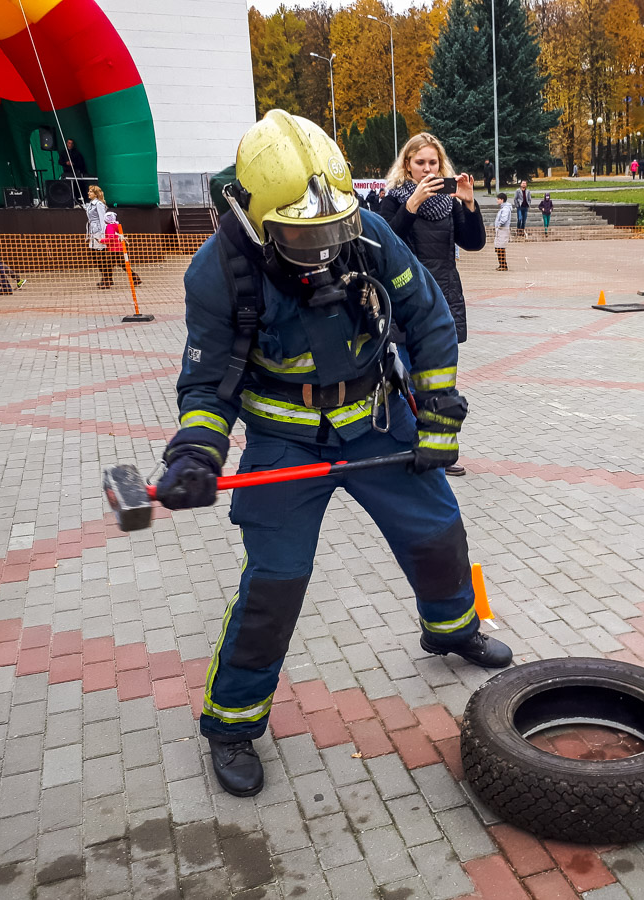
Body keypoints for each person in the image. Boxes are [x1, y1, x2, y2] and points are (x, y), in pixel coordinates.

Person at [158, 110, 512, 798]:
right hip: (282, 444)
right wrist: (196, 452)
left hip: (377, 421)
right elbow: (206, 383)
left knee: (437, 530)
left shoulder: (368, 232)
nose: (324, 246)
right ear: (257, 220)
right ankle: (232, 721)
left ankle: (451, 628)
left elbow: (429, 318)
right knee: (275, 581)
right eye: (304, 233)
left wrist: (437, 421)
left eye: (333, 229)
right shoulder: (217, 273)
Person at [380, 134, 485, 477]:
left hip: (445, 298)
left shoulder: (449, 203)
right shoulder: (393, 200)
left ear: (441, 165)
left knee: (442, 383)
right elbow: (385, 247)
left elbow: (474, 244)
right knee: (413, 381)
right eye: (420, 162)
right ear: (407, 166)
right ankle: (415, 447)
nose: (427, 168)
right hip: (409, 301)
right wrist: (410, 206)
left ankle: (440, 452)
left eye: (433, 162)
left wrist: (469, 205)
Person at [102, 211, 142, 287]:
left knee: (108, 265)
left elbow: (111, 238)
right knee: (119, 264)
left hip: (112, 249)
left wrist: (101, 241)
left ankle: (107, 281)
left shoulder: (109, 227)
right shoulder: (116, 225)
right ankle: (135, 277)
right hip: (118, 248)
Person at [84, 185, 111, 288]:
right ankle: (106, 277)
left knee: (101, 257)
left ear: (95, 194)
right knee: (95, 256)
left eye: (90, 192)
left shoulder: (99, 204)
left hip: (98, 232)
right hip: (92, 232)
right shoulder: (91, 204)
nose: (88, 193)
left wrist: (103, 235)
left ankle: (106, 279)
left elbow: (102, 219)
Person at [494, 193, 511, 270]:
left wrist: (499, 225)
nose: (497, 200)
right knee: (498, 247)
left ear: (502, 200)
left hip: (503, 230)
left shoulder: (505, 209)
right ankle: (501, 264)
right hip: (501, 230)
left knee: (501, 248)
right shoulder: (503, 208)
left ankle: (503, 265)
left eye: (498, 199)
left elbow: (504, 219)